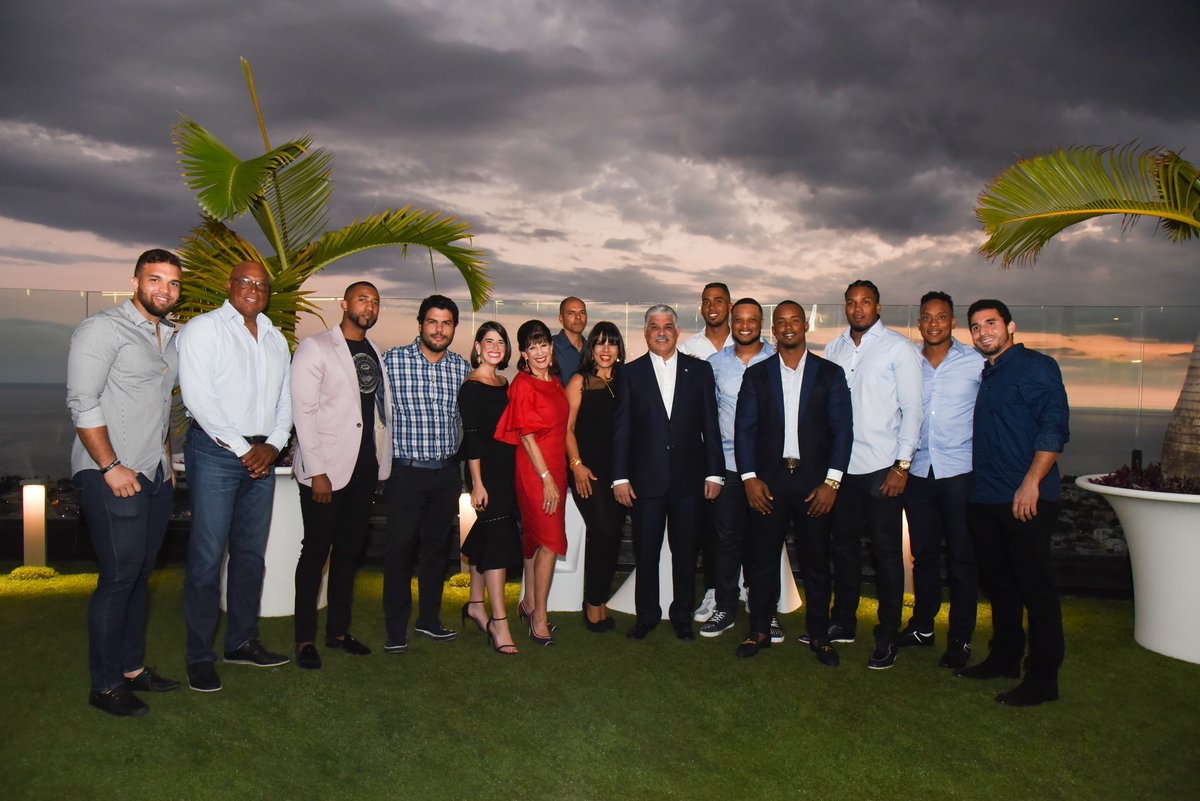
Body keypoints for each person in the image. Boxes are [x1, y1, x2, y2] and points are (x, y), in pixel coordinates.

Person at [67, 248, 183, 716]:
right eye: (155, 279)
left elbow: (159, 407)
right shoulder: (102, 328)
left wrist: (167, 463)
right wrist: (110, 465)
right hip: (110, 473)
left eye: (173, 283)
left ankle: (132, 670)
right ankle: (104, 685)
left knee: (139, 575)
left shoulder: (168, 337)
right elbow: (82, 400)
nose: (165, 290)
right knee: (118, 577)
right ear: (135, 282)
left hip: (153, 474)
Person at [178, 260, 293, 692]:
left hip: (262, 455)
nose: (253, 289)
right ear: (230, 286)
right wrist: (247, 450)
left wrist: (274, 444)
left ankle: (242, 642)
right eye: (245, 282)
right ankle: (199, 656)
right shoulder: (204, 329)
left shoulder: (276, 338)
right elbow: (199, 399)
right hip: (216, 452)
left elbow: (286, 400)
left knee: (250, 556)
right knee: (208, 557)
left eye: (261, 285)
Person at [957, 299, 1069, 707]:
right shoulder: (988, 373)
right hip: (986, 497)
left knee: (1036, 590)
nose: (983, 331)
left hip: (1026, 499)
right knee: (1001, 586)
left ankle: (1043, 679)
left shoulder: (1035, 367)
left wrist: (1031, 483)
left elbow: (1054, 427)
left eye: (991, 323)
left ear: (1010, 326)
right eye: (975, 326)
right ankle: (1004, 658)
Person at [733, 301, 852, 664]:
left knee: (816, 561)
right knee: (761, 560)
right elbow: (744, 430)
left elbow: (843, 431)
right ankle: (759, 630)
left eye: (794, 321)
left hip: (815, 484)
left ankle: (819, 635)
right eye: (781, 322)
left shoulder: (830, 373)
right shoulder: (757, 374)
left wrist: (832, 483)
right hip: (767, 483)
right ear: (774, 329)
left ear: (804, 326)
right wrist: (749, 479)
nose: (788, 327)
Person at [290, 281, 392, 670]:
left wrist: (381, 463)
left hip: (364, 469)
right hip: (326, 472)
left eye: (375, 302)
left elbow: (376, 412)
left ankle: (338, 632)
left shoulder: (375, 351)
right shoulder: (315, 347)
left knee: (349, 553)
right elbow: (303, 412)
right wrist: (317, 471)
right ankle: (304, 639)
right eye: (362, 299)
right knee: (315, 553)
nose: (369, 307)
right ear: (344, 304)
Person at [822, 280, 923, 670]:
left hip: (883, 469)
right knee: (843, 549)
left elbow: (913, 409)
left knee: (886, 555)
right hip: (842, 469)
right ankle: (843, 622)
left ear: (878, 307)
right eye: (851, 302)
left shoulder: (899, 348)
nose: (858, 308)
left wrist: (902, 465)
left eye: (865, 302)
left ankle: (887, 635)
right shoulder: (834, 348)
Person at [612, 305, 724, 641]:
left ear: (677, 332)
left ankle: (682, 617)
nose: (661, 332)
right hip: (645, 482)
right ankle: (646, 616)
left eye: (667, 326)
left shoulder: (700, 370)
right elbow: (622, 430)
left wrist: (715, 473)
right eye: (654, 326)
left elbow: (711, 425)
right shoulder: (630, 373)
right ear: (645, 333)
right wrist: (620, 477)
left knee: (686, 554)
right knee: (646, 553)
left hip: (690, 481)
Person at [381, 295, 470, 652]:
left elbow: (466, 420)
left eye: (446, 323)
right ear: (420, 324)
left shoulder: (460, 368)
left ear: (454, 328)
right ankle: (395, 630)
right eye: (433, 322)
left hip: (445, 474)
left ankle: (429, 620)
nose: (439, 329)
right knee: (400, 550)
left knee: (436, 551)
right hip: (405, 474)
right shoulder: (392, 361)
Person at [901, 291, 985, 670]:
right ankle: (923, 627)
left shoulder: (975, 362)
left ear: (953, 322)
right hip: (918, 471)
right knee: (923, 556)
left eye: (941, 317)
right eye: (927, 317)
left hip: (960, 472)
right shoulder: (908, 361)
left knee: (962, 558)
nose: (933, 323)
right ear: (919, 322)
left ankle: (960, 638)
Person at [699, 298, 774, 639]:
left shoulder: (777, 359)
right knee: (726, 542)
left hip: (766, 469)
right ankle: (726, 607)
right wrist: (712, 468)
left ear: (761, 323)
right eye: (739, 319)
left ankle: (765, 610)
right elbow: (708, 420)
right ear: (731, 322)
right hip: (728, 468)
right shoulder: (715, 364)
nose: (745, 325)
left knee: (764, 544)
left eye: (751, 319)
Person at [495, 320, 570, 646]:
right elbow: (526, 436)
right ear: (524, 354)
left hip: (556, 470)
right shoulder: (523, 384)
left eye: (543, 345)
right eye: (531, 347)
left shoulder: (554, 381)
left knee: (537, 542)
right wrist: (546, 479)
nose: (539, 352)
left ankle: (527, 604)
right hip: (536, 472)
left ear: (551, 348)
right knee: (550, 542)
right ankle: (539, 616)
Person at [459, 322, 521, 655]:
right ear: (478, 347)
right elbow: (472, 439)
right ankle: (500, 622)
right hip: (486, 473)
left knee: (487, 534)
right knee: (497, 542)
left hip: (506, 469)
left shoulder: (503, 382)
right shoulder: (471, 387)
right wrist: (477, 483)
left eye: (500, 341)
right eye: (489, 341)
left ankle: (475, 604)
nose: (495, 347)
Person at [565, 321, 627, 632]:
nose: (605, 349)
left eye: (611, 343)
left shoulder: (626, 380)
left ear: (619, 350)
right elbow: (566, 429)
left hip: (619, 474)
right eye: (600, 342)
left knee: (612, 536)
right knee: (602, 532)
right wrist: (576, 465)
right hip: (587, 472)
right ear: (591, 348)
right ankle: (591, 604)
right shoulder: (580, 381)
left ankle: (600, 601)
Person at [679, 282, 733, 622]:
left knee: (743, 526)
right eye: (706, 301)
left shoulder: (750, 344)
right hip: (701, 453)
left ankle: (748, 589)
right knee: (710, 527)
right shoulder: (687, 349)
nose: (712, 306)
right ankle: (714, 590)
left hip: (742, 451)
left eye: (718, 300)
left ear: (729, 305)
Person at [552, 296, 588, 386]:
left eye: (582, 313)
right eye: (571, 313)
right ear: (561, 319)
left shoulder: (592, 349)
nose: (578, 317)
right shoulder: (550, 347)